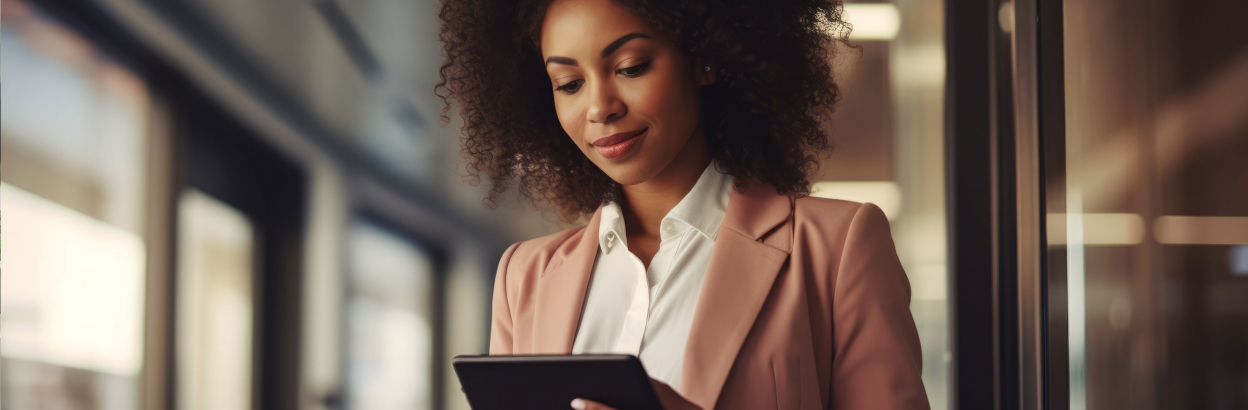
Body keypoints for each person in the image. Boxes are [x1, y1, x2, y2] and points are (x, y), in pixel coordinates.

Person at [436, 0, 929, 408]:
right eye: (569, 83)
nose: (599, 106)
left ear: (704, 59)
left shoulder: (837, 247)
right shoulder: (523, 275)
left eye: (630, 67)